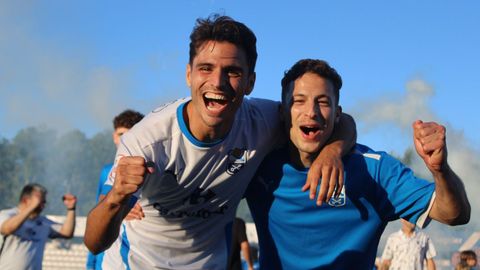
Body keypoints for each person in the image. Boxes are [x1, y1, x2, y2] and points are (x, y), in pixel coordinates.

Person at [84, 15, 356, 269]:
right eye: (206, 68)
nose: (218, 82)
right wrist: (116, 198)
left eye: (233, 72)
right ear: (189, 74)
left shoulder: (263, 121)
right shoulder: (147, 141)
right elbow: (94, 242)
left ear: (250, 82)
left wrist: (331, 152)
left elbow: (343, 121)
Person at [245, 59, 471, 269]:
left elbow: (454, 214)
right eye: (298, 101)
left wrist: (440, 171)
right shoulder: (257, 163)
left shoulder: (375, 169)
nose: (311, 112)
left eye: (323, 102)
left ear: (337, 114)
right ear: (282, 112)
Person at [86, 109, 144, 270]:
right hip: (109, 257)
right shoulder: (107, 172)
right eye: (121, 135)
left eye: (130, 135)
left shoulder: (152, 169)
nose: (125, 140)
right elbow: (100, 211)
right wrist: (91, 264)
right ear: (114, 137)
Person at [0, 183, 77, 269]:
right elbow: (6, 229)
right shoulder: (8, 215)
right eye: (39, 202)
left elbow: (67, 232)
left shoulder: (43, 222)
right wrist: (31, 207)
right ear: (25, 200)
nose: (42, 206)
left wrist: (71, 209)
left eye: (43, 202)